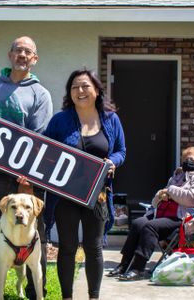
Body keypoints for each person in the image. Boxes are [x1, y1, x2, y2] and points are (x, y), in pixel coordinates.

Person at [0, 36, 53, 300]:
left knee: (34, 237)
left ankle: (36, 293)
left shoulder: (40, 94)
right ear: (10, 55)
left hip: (26, 179)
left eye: (27, 51)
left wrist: (28, 180)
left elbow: (40, 138)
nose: (22, 54)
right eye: (18, 50)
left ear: (34, 59)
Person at [44, 68, 126, 299]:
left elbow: (121, 150)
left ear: (97, 90)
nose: (80, 91)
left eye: (85, 86)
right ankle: (67, 296)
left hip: (97, 194)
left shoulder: (111, 119)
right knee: (68, 248)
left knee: (94, 247)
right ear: (69, 93)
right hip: (65, 194)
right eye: (74, 87)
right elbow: (45, 152)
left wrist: (113, 162)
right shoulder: (60, 121)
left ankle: (93, 296)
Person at [107, 146, 194, 281]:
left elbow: (193, 198)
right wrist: (161, 195)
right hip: (163, 213)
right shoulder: (178, 175)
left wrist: (170, 191)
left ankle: (138, 268)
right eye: (185, 159)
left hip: (182, 218)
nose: (186, 162)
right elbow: (156, 202)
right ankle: (124, 264)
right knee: (138, 223)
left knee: (151, 227)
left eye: (191, 160)